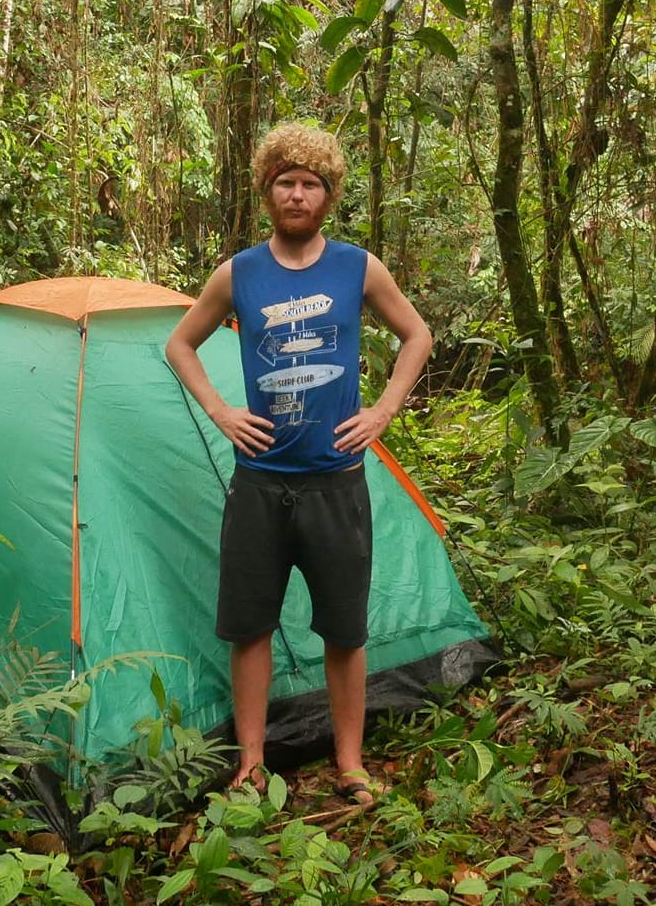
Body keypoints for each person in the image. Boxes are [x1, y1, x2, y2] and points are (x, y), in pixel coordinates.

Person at [164, 122, 433, 804]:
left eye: (311, 183)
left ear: (329, 194)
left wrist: (383, 412)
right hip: (261, 485)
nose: (297, 193)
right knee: (250, 627)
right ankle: (251, 763)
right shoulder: (239, 273)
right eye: (286, 181)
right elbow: (180, 344)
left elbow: (416, 334)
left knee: (344, 630)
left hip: (336, 483)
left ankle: (350, 764)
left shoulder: (357, 267)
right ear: (267, 190)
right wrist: (222, 413)